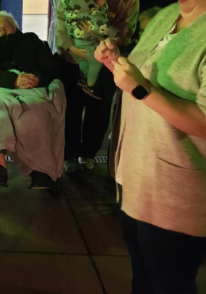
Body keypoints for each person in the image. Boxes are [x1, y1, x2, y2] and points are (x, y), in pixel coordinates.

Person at [95, 0, 206, 294]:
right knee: (139, 243)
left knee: (172, 273)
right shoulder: (168, 15)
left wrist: (139, 87)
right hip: (140, 166)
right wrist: (116, 64)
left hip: (184, 182)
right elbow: (141, 75)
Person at [0, 11, 64, 189]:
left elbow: (51, 66)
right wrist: (11, 80)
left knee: (38, 113)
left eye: (7, 27)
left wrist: (37, 78)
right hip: (2, 89)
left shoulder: (32, 41)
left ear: (16, 28)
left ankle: (41, 170)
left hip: (32, 89)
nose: (4, 31)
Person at [53, 0, 138, 171]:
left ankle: (88, 153)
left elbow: (125, 33)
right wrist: (71, 48)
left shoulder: (127, 2)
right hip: (71, 58)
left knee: (99, 106)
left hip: (107, 59)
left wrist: (98, 36)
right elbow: (61, 23)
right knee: (70, 107)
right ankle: (69, 154)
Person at [60, 0, 117, 99]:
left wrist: (105, 14)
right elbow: (99, 26)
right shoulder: (85, 5)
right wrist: (114, 33)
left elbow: (96, 13)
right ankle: (91, 86)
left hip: (80, 39)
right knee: (96, 61)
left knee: (85, 61)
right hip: (84, 40)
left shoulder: (78, 7)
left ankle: (85, 79)